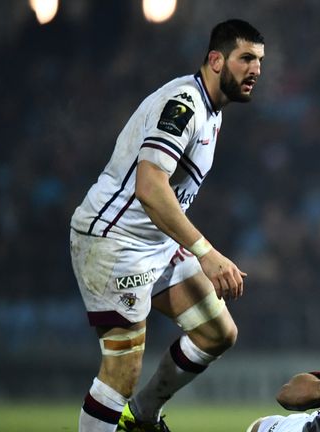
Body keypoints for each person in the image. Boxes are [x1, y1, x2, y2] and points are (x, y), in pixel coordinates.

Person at [69, 19, 265, 432]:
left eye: (260, 61)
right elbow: (150, 188)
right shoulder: (184, 104)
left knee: (217, 332)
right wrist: (206, 254)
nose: (256, 70)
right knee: (121, 370)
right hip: (114, 240)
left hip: (152, 241)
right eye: (246, 58)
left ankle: (141, 419)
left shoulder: (212, 112)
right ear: (216, 60)